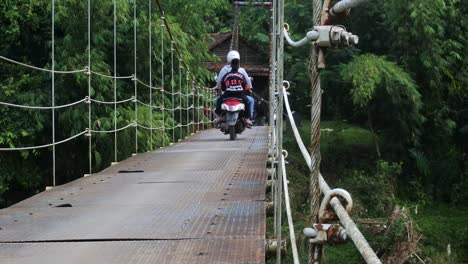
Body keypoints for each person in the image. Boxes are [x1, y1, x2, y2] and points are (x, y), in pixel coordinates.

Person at [214, 52, 252, 127]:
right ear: (238, 66)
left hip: (228, 94)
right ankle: (247, 119)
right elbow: (246, 86)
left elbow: (222, 87)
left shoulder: (226, 75)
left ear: (231, 65)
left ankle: (218, 117)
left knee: (218, 101)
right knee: (247, 102)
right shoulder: (241, 75)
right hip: (239, 95)